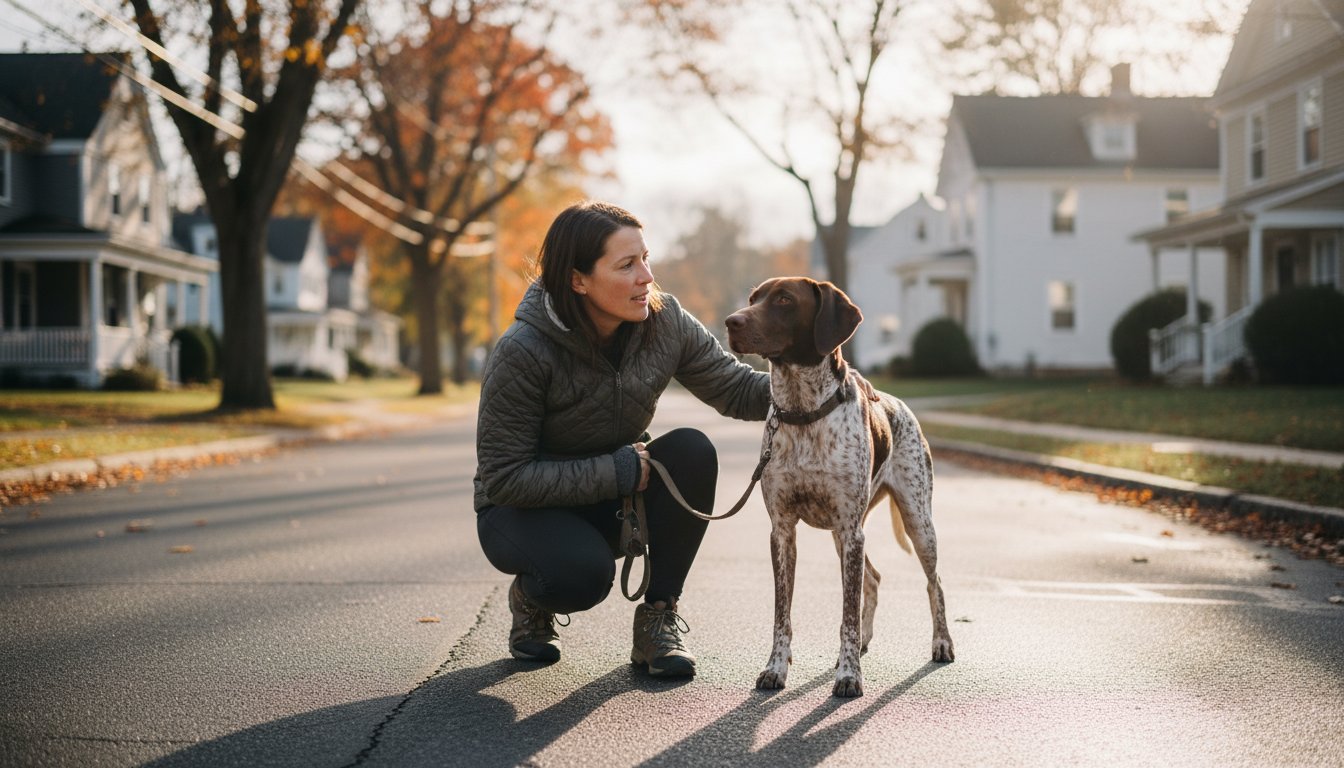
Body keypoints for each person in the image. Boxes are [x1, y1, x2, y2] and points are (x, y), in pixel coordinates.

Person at [473, 200, 771, 678]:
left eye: (645, 259)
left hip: (614, 492)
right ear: (578, 280)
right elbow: (505, 478)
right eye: (627, 265)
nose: (647, 277)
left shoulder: (665, 321)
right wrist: (618, 471)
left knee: (691, 451)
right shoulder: (523, 350)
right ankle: (532, 598)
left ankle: (658, 619)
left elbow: (738, 389)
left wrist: (824, 387)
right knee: (583, 577)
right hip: (520, 511)